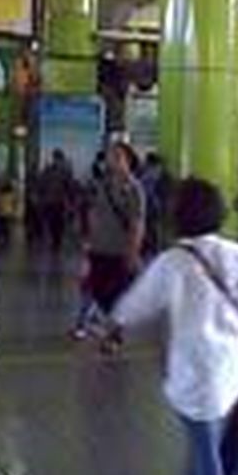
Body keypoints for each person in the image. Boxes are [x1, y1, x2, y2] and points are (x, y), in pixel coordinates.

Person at [111, 178, 238, 475]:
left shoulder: (172, 261)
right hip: (236, 364)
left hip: (196, 369)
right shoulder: (236, 254)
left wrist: (111, 327)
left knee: (204, 443)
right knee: (205, 440)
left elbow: (134, 305)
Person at [84, 141, 146, 353]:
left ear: (129, 160)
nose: (113, 160)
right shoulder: (103, 185)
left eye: (118, 156)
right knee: (96, 288)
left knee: (117, 293)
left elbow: (137, 223)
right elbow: (94, 213)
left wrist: (133, 251)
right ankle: (110, 325)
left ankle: (114, 335)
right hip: (99, 247)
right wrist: (89, 240)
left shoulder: (134, 189)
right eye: (111, 156)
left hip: (120, 250)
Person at [36, 149, 77, 254]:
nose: (57, 161)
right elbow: (42, 184)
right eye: (56, 158)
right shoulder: (54, 170)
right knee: (54, 222)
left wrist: (71, 199)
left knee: (56, 222)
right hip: (54, 201)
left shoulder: (58, 171)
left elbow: (69, 187)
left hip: (56, 201)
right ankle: (56, 240)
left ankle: (56, 241)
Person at [138, 152, 173, 259]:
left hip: (158, 221)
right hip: (148, 221)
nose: (152, 170)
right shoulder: (141, 180)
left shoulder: (167, 182)